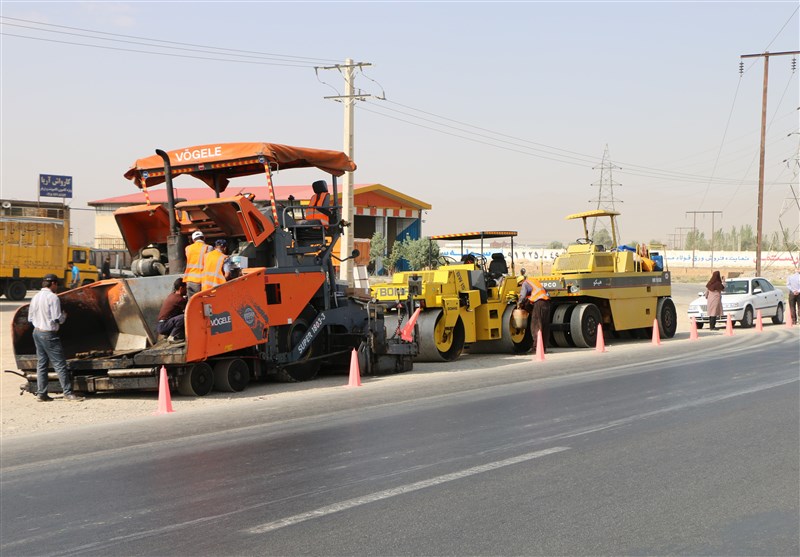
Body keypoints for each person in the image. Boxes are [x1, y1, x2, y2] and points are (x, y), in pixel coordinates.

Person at [28, 274, 84, 402]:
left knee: (42, 364)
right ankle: (68, 393)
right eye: (57, 284)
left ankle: (42, 394)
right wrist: (64, 316)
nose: (57, 287)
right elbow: (56, 318)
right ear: (53, 283)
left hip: (37, 332)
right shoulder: (53, 298)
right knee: (60, 364)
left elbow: (30, 318)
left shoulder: (35, 297)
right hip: (49, 334)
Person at [517, 275, 551, 353]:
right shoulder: (534, 281)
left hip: (539, 303)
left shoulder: (525, 283)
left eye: (519, 285)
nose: (520, 287)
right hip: (546, 303)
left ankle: (536, 348)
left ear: (521, 282)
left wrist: (519, 303)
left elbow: (522, 295)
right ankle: (544, 348)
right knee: (544, 326)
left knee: (536, 325)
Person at [157, 278, 187, 343]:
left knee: (180, 315)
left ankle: (168, 335)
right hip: (164, 326)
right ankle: (172, 336)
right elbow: (189, 309)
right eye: (185, 288)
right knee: (184, 317)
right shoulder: (179, 299)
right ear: (181, 288)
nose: (186, 290)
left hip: (161, 325)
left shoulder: (172, 295)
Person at [184, 230, 211, 298]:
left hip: (190, 279)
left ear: (193, 240)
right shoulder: (208, 247)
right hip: (202, 280)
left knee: (191, 302)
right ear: (204, 238)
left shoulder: (187, 248)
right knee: (203, 301)